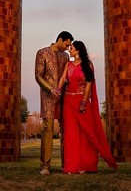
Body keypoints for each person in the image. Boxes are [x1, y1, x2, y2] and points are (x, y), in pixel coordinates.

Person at [57, 40, 118, 174]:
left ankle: (86, 164)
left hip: (81, 101)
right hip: (68, 101)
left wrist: (84, 101)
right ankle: (71, 166)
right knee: (70, 134)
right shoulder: (68, 64)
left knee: (86, 134)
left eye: (71, 48)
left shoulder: (88, 65)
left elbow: (89, 83)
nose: (69, 50)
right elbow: (62, 79)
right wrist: (57, 89)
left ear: (78, 50)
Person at [35, 31, 74, 175]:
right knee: (48, 130)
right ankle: (45, 166)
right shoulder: (42, 53)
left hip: (65, 97)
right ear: (59, 39)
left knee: (66, 130)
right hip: (48, 97)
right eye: (66, 44)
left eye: (69, 46)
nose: (67, 48)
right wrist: (50, 90)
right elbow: (38, 76)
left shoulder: (65, 56)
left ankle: (67, 165)